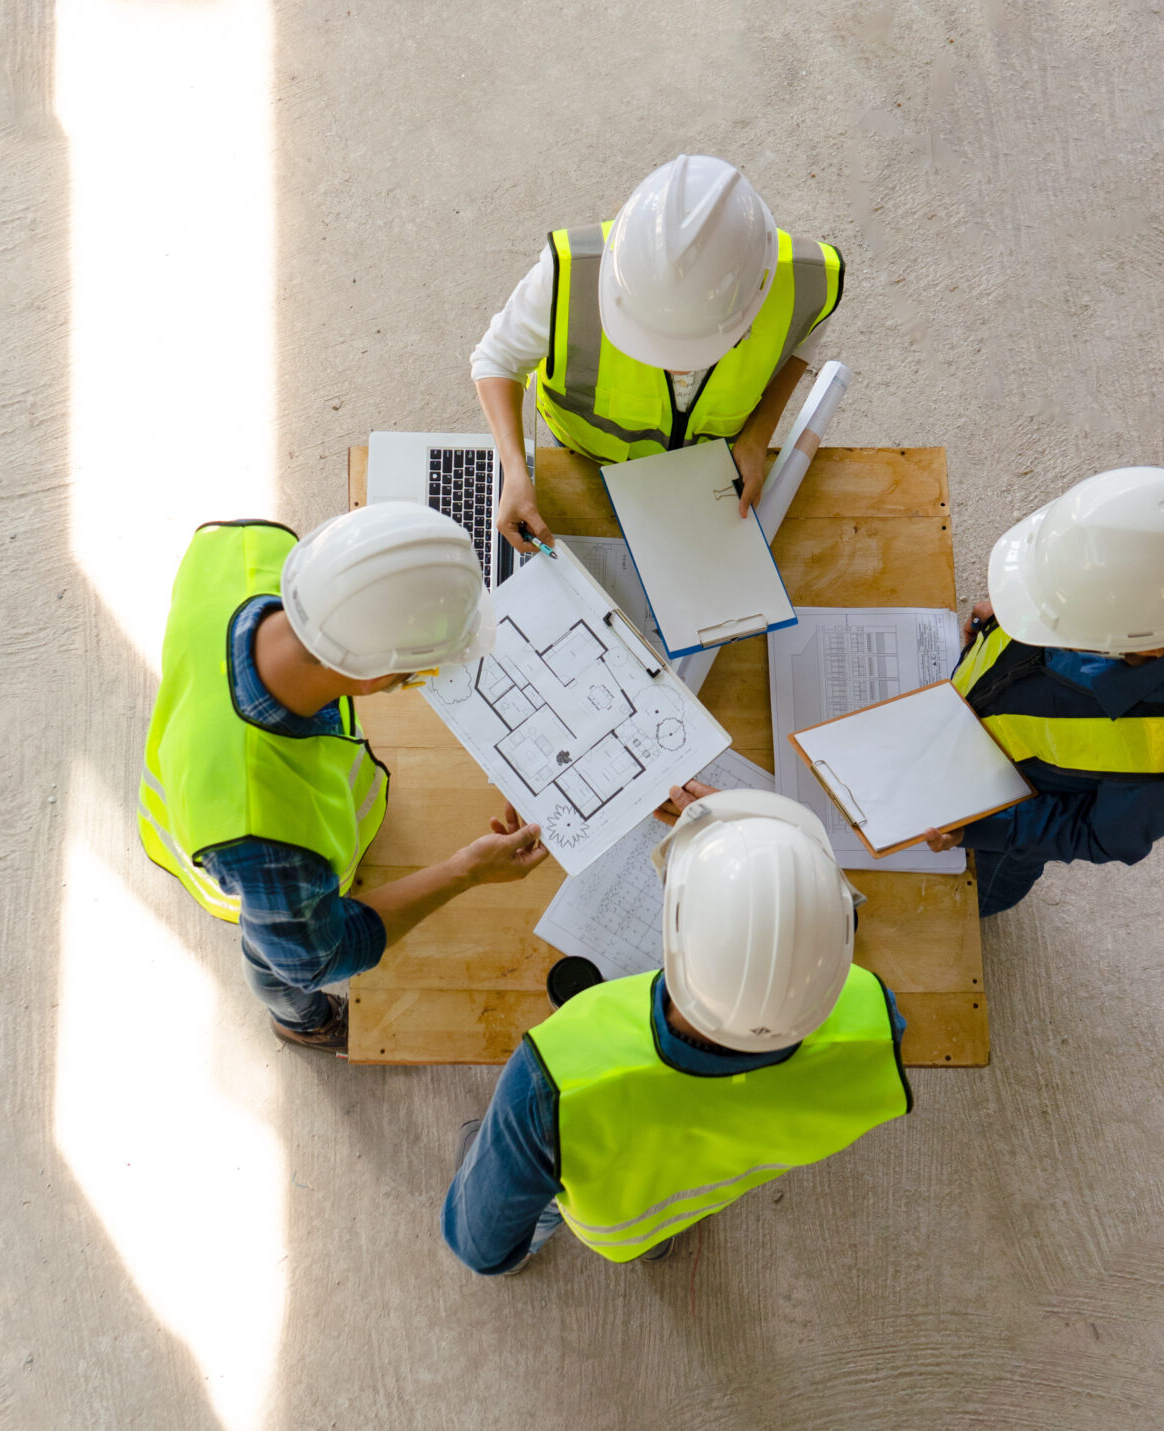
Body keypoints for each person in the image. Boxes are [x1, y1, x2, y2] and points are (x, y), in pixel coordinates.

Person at [441, 787, 911, 1271]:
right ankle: (655, 1238)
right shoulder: (873, 1019)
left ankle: (628, 1236)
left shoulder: (553, 1081)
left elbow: (479, 1245)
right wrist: (773, 868)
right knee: (661, 1206)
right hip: (697, 1191)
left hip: (615, 1218)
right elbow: (800, 940)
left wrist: (724, 842)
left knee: (518, 1172)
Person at [138, 506, 552, 1054]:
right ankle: (301, 1024)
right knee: (275, 968)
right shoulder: (265, 837)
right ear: (378, 674)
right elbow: (319, 956)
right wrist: (465, 871)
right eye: (420, 671)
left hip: (235, 770)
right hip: (239, 849)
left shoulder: (247, 551)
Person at [471, 155, 844, 548]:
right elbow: (496, 359)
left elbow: (805, 336)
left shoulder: (803, 283)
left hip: (703, 469)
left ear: (756, 293)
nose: (674, 366)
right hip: (586, 453)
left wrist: (756, 438)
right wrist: (515, 470)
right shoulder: (568, 274)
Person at [921, 467, 1164, 916]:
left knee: (969, 900)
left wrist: (982, 827)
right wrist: (1018, 603)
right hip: (970, 724)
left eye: (1059, 629)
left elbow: (1098, 835)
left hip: (1000, 832)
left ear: (1145, 647)